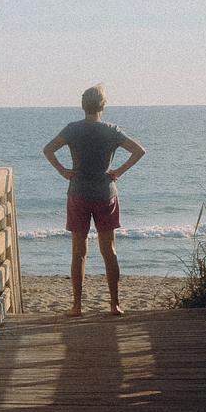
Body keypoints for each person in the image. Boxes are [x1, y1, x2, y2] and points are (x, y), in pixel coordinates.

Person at [42, 85, 146, 316]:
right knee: (109, 250)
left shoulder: (72, 129)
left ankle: (77, 306)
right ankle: (114, 304)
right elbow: (139, 151)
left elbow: (48, 149)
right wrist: (118, 171)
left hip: (78, 193)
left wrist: (62, 170)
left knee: (78, 252)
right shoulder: (111, 130)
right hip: (105, 194)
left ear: (83, 105)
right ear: (103, 105)